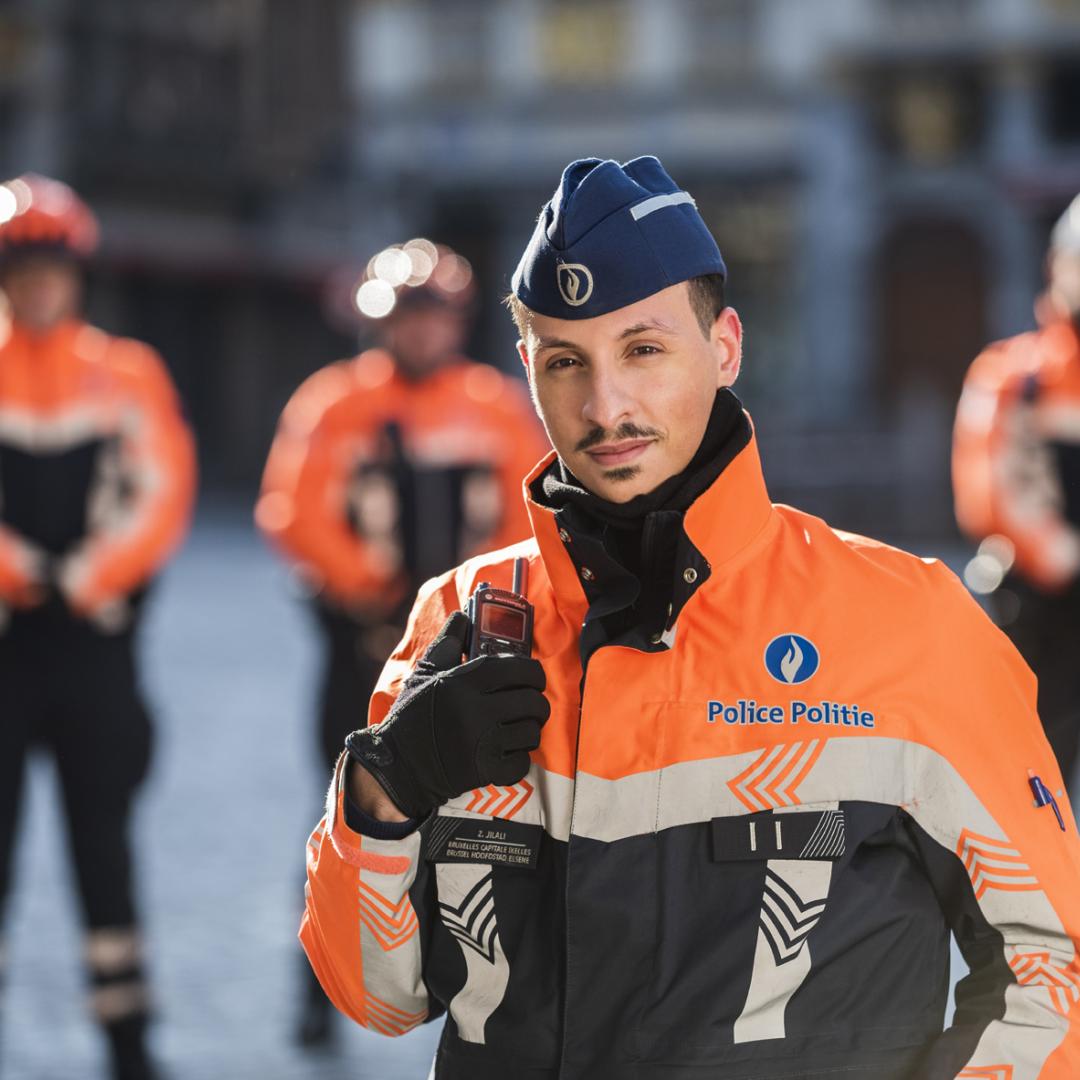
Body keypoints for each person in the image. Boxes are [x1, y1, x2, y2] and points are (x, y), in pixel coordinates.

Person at [300, 157, 1080, 1079]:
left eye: (644, 348)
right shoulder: (462, 620)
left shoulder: (909, 623)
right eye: (565, 362)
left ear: (726, 347)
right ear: (528, 371)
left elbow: (1052, 972)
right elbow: (377, 997)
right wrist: (382, 798)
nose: (605, 406)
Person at [256, 241, 549, 1045]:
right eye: (404, 318)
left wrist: (455, 605)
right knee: (341, 806)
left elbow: (527, 512)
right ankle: (317, 987)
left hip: (465, 649)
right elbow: (293, 511)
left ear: (453, 321)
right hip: (360, 644)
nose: (420, 333)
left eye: (433, 317)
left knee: (491, 817)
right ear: (379, 322)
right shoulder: (333, 403)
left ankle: (485, 983)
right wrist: (374, 589)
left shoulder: (491, 405)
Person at [0, 174, 196, 1079]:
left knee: (104, 854)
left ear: (77, 274)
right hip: (8, 649)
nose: (38, 284)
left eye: (52, 267)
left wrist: (84, 574)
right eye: (21, 267)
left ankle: (130, 1049)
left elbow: (162, 493)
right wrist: (21, 568)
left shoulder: (127, 372)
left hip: (95, 651)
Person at [954, 194, 1080, 792]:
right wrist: (1066, 558)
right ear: (1058, 266)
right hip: (1044, 614)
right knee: (1033, 788)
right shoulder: (1013, 374)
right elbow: (989, 493)